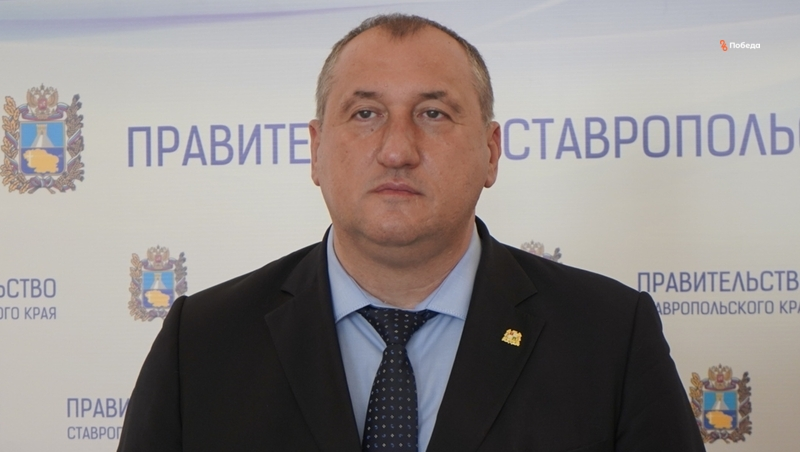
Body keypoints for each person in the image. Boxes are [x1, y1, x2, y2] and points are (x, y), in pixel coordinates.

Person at [117, 14, 705, 452]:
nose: (397, 150)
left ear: (491, 152)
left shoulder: (610, 337)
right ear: (316, 150)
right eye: (365, 114)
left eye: (433, 113)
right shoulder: (201, 344)